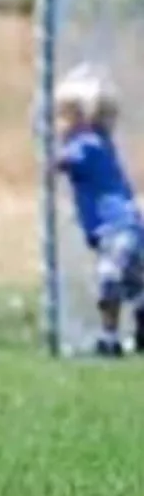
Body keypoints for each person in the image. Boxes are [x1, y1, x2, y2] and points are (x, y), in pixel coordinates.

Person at [53, 63, 144, 357]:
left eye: (64, 116)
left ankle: (109, 339)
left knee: (110, 280)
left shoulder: (86, 144)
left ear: (82, 119)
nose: (58, 124)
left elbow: (62, 163)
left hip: (117, 230)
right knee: (132, 283)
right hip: (127, 228)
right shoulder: (99, 143)